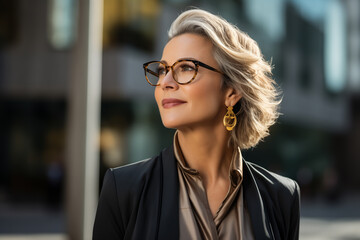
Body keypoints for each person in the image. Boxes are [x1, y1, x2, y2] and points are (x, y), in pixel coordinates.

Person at [93, 8, 300, 240]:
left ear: (232, 92)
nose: (165, 83)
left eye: (186, 68)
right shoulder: (122, 189)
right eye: (162, 70)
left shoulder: (282, 196)